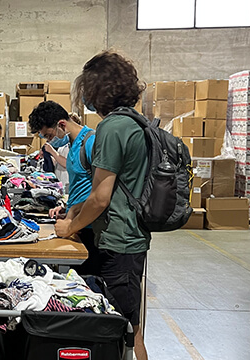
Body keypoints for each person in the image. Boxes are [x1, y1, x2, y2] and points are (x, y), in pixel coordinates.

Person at [54, 50, 149, 360]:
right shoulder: (136, 123)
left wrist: (70, 226)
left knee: (115, 333)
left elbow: (100, 197)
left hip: (115, 244)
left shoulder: (111, 128)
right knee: (131, 330)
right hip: (132, 239)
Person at [28, 101, 99, 276]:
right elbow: (82, 184)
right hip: (77, 223)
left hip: (92, 228)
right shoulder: (73, 145)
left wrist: (73, 217)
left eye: (49, 136)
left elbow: (99, 193)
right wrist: (67, 210)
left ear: (61, 125)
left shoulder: (90, 143)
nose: (49, 141)